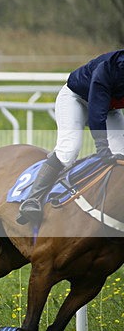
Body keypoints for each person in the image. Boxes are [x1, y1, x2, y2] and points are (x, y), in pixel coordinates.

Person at [17, 49, 124, 225]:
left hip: (109, 107)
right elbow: (97, 113)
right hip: (75, 99)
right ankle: (32, 199)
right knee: (69, 149)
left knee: (122, 154)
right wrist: (102, 148)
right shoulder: (108, 69)